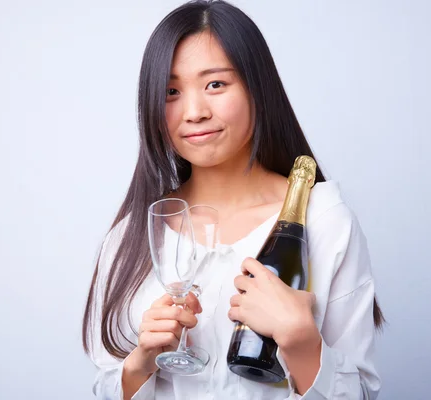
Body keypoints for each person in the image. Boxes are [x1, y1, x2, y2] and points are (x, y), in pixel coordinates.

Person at [82, 1, 384, 399]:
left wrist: (301, 343)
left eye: (215, 84)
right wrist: (140, 364)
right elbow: (104, 386)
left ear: (258, 88)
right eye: (171, 91)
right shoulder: (133, 236)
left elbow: (361, 393)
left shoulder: (324, 221)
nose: (193, 112)